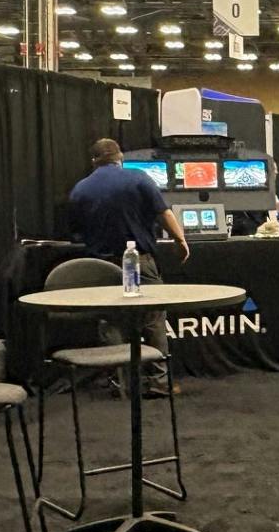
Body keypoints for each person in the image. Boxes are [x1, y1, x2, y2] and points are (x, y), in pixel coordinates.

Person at [67, 139, 191, 365]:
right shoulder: (138, 178)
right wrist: (180, 240)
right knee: (153, 319)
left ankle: (119, 380)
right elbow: (163, 214)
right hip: (140, 260)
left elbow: (76, 231)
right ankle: (159, 381)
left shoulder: (80, 189)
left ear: (94, 161)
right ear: (120, 157)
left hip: (101, 266)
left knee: (111, 319)